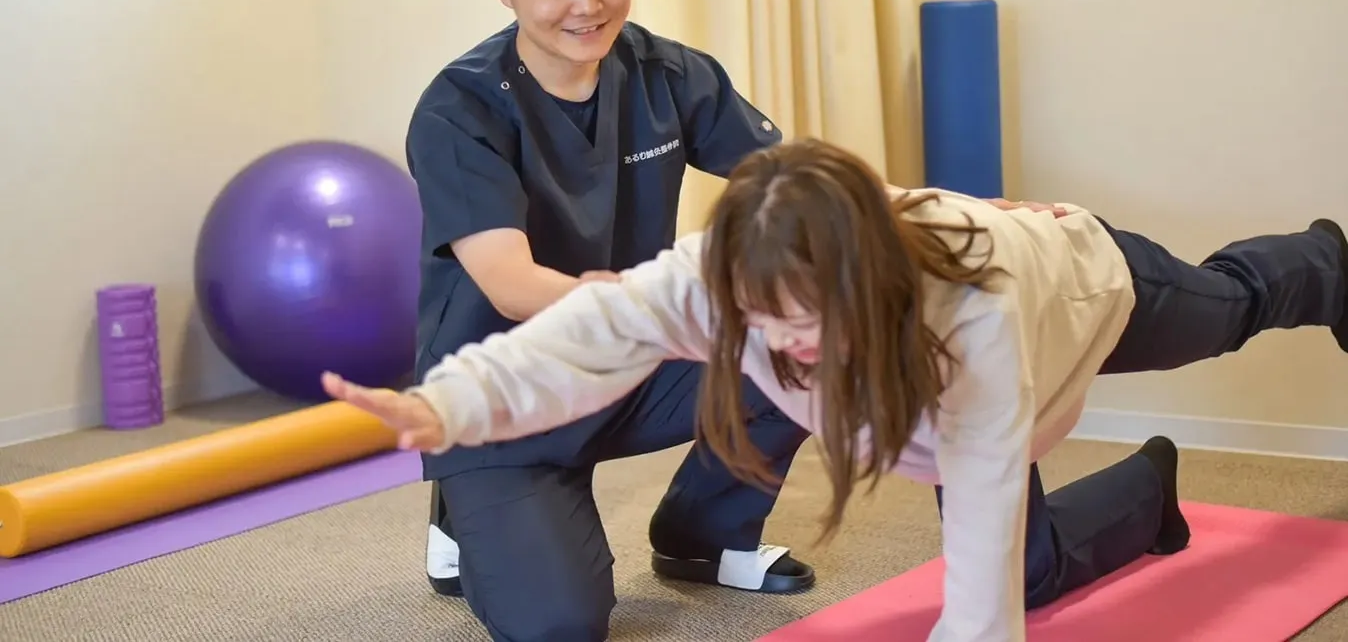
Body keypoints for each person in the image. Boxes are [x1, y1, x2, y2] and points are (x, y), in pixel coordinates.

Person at [327, 136, 1347, 642]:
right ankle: (1150, 495)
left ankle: (1324, 260)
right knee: (1040, 572)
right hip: (936, 375)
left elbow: (978, 573)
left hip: (1084, 288)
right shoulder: (722, 279)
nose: (786, 345)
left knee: (1228, 307)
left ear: (867, 285)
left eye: (810, 321)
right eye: (763, 319)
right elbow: (583, 335)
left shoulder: (972, 327)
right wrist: (449, 405)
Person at [403, 0, 818, 642]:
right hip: (507, 393)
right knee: (560, 625)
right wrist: (651, 302)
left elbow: (805, 186)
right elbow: (511, 284)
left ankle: (703, 535)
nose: (588, 5)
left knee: (811, 339)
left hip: (627, 360)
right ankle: (467, 497)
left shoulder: (668, 74)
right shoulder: (460, 110)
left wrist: (951, 211)